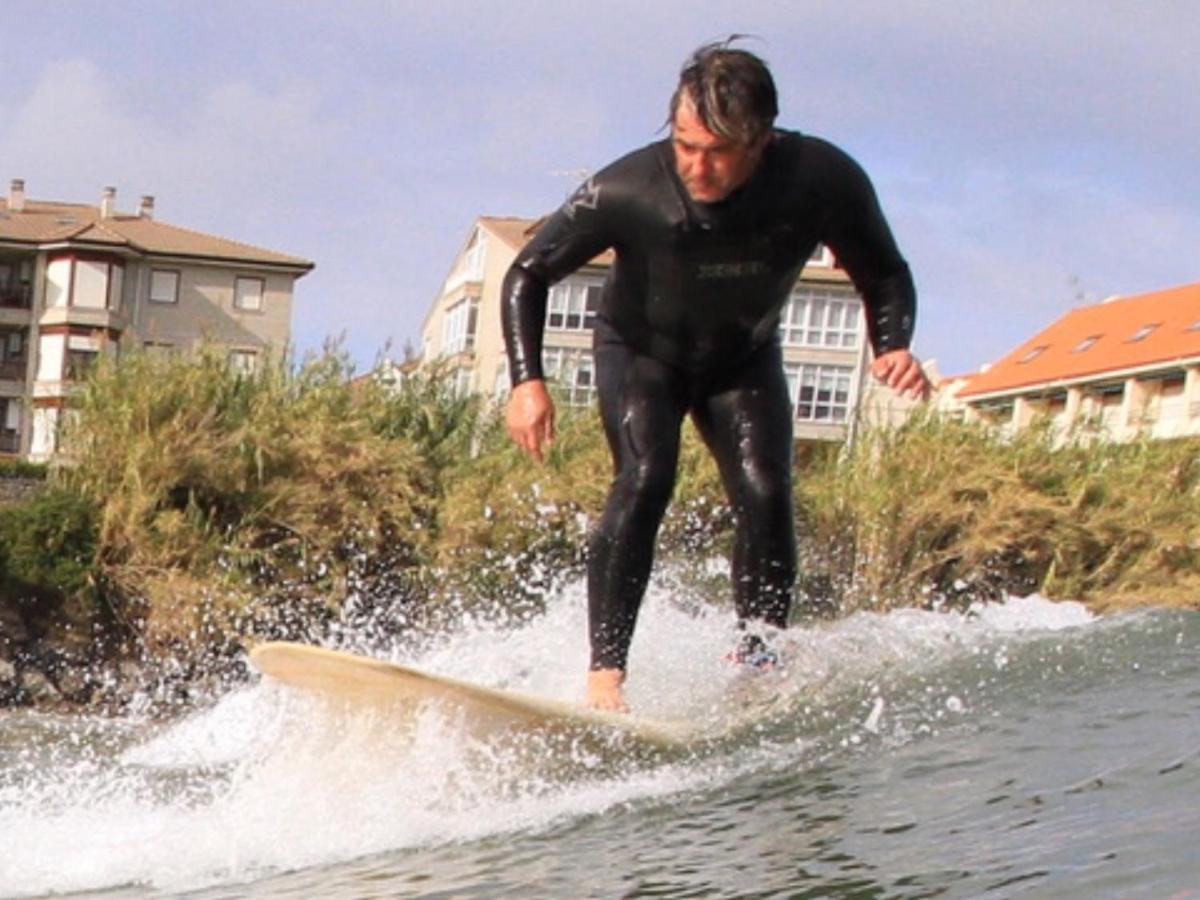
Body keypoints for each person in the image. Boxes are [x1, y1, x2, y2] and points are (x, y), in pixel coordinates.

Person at [501, 40, 930, 712]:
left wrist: (893, 344)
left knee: (766, 492)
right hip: (642, 353)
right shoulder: (628, 188)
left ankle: (758, 667)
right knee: (646, 479)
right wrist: (527, 382)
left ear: (761, 139)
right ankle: (605, 680)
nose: (697, 166)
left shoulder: (821, 179)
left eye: (718, 151)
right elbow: (528, 273)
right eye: (684, 145)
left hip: (742, 357)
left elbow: (884, 271)